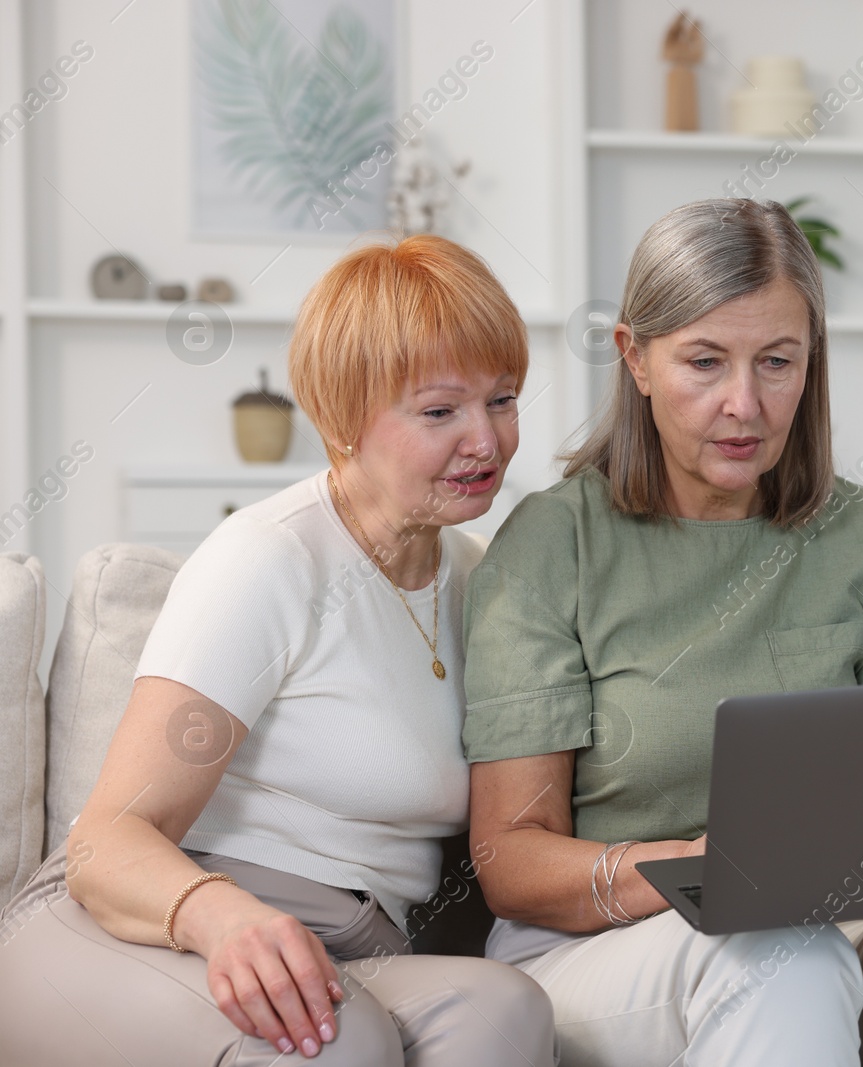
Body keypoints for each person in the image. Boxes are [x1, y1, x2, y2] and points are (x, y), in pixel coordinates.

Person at [462, 197, 863, 1066]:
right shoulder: (555, 543)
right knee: (785, 951)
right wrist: (698, 865)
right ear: (636, 358)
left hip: (826, 916)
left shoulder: (858, 531)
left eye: (778, 362)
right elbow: (511, 858)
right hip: (598, 946)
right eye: (705, 361)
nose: (746, 403)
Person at [0, 235, 556, 1066]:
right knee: (335, 1039)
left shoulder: (482, 579)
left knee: (505, 1009)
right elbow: (106, 839)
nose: (486, 440)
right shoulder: (271, 558)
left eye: (503, 400)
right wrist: (222, 914)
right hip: (142, 921)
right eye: (440, 411)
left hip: (350, 942)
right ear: (340, 422)